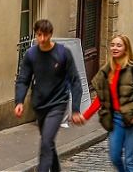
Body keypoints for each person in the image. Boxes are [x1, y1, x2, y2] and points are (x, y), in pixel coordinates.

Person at [15, 19, 86, 172]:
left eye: (45, 35)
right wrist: (19, 101)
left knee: (46, 142)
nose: (42, 39)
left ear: (51, 34)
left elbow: (75, 81)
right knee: (49, 142)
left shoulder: (63, 53)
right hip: (40, 105)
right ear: (36, 34)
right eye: (39, 35)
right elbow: (23, 79)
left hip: (58, 103)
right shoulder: (31, 55)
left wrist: (75, 110)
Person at [80, 34, 133, 172]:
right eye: (112, 45)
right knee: (115, 157)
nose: (115, 48)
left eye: (119, 45)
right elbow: (101, 98)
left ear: (126, 49)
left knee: (130, 161)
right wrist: (85, 116)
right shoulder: (107, 71)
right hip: (115, 119)